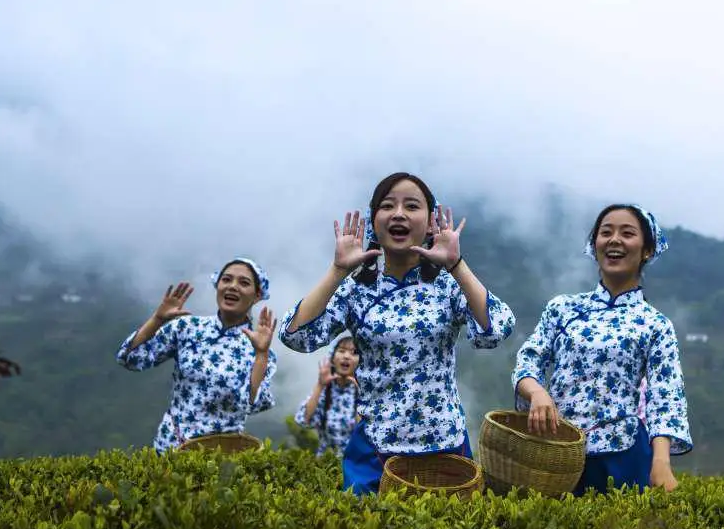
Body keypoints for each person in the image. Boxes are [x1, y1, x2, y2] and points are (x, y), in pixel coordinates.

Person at [280, 172, 515, 494]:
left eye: (412, 206)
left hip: (442, 444)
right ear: (373, 220)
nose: (399, 213)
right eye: (388, 205)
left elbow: (496, 330)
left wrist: (457, 264)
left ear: (431, 222)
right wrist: (338, 271)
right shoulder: (356, 291)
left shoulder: (446, 285)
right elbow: (296, 336)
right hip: (374, 445)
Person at [513, 204, 691, 493]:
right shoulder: (563, 308)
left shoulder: (655, 324)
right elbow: (528, 361)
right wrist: (537, 392)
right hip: (557, 452)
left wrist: (661, 461)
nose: (614, 240)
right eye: (605, 232)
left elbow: (666, 397)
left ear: (647, 250)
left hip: (623, 456)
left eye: (627, 233)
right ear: (594, 245)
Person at [116, 257, 278, 452]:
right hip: (170, 448)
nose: (233, 286)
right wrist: (157, 319)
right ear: (217, 285)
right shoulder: (188, 327)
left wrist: (261, 354)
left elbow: (253, 404)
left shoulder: (258, 348)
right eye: (226, 280)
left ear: (258, 295)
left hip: (222, 456)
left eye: (244, 283)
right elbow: (130, 359)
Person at [294, 336, 361, 457]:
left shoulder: (362, 391)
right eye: (341, 350)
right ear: (332, 357)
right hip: (326, 463)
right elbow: (303, 420)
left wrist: (361, 394)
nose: (346, 356)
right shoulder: (326, 389)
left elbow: (365, 433)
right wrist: (320, 385)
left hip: (354, 464)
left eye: (354, 352)